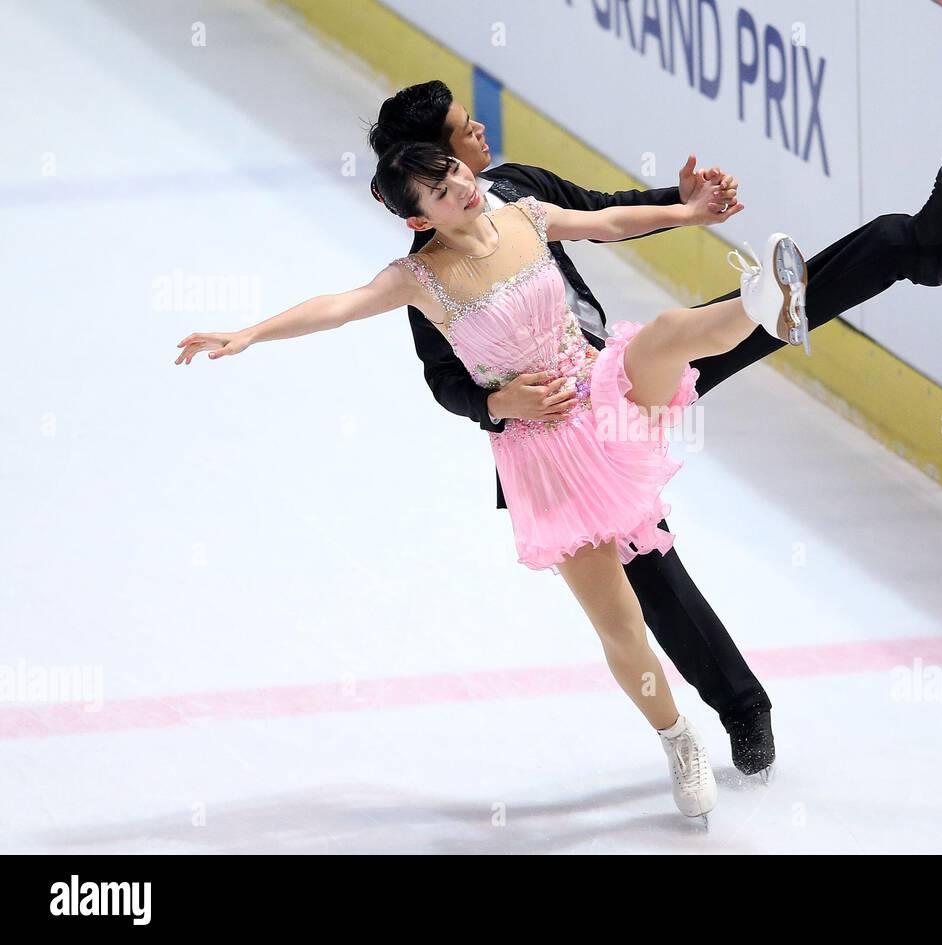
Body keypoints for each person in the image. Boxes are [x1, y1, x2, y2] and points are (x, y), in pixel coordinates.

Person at [174, 140, 811, 822]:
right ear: (419, 220)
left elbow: (610, 221)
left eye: (451, 172)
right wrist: (249, 332)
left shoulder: (524, 215)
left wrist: (687, 212)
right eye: (439, 192)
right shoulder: (418, 278)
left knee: (661, 335)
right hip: (545, 455)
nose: (460, 187)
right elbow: (340, 305)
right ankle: (677, 736)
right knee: (622, 623)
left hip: (601, 395)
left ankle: (763, 303)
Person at [365, 81, 942, 782]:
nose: (476, 130)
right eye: (459, 132)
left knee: (758, 310)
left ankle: (910, 245)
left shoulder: (514, 190)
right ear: (434, 170)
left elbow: (600, 212)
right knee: (648, 582)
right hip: (558, 440)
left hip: (620, 378)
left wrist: (683, 204)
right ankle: (741, 709)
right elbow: (443, 379)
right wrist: (499, 403)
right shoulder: (432, 273)